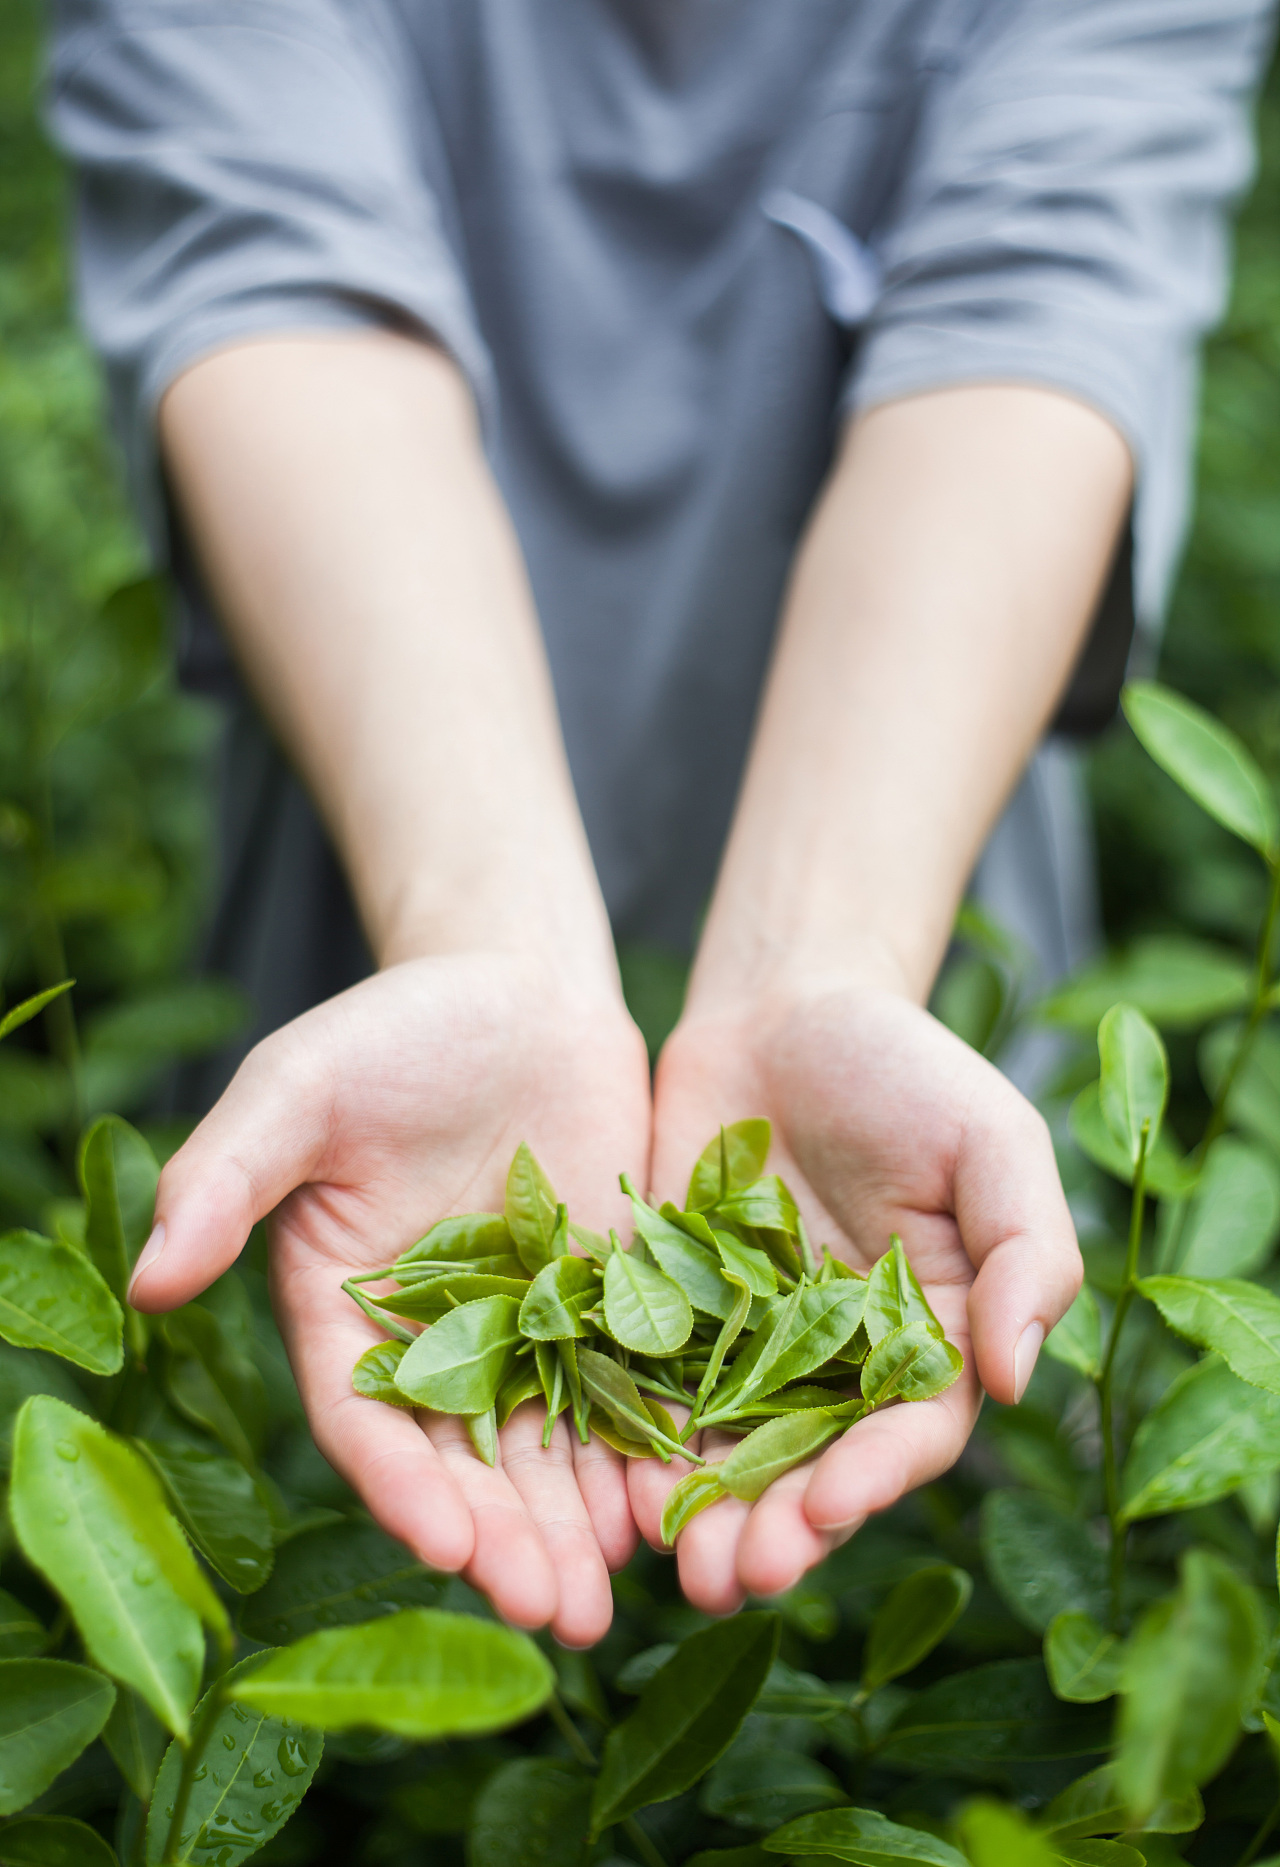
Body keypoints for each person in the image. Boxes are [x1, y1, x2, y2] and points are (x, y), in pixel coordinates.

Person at [48, 0, 1273, 1646]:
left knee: (945, 1556)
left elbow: (1037, 312)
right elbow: (274, 272)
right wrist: (489, 936)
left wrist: (822, 964)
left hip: (908, 956)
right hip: (380, 958)